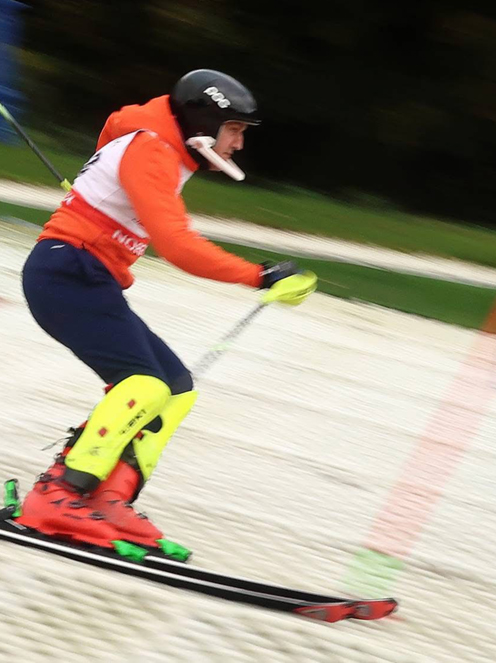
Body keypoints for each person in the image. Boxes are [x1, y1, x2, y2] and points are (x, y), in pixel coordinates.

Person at [17, 69, 314, 549]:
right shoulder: (151, 149)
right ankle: (58, 494)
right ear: (204, 123)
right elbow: (177, 246)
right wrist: (260, 276)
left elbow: (113, 138)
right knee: (143, 384)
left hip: (87, 277)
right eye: (234, 129)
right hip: (67, 272)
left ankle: (109, 496)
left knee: (176, 388)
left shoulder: (159, 149)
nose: (239, 143)